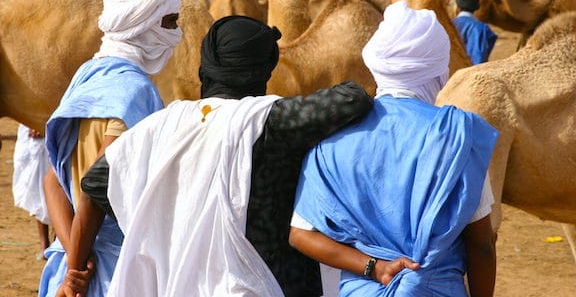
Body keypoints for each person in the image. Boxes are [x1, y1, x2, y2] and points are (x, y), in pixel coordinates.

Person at [73, 15, 374, 297]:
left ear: (207, 65)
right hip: (263, 284)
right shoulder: (272, 121)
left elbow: (93, 187)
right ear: (265, 69)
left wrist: (74, 270)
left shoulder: (160, 126)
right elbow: (353, 97)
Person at [289, 0, 499, 297]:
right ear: (438, 67)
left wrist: (373, 266)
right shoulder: (458, 136)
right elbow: (481, 246)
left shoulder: (334, 136)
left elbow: (300, 234)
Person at [39, 0, 182, 297]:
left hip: (73, 258)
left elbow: (52, 179)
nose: (178, 34)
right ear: (144, 24)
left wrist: (71, 254)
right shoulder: (133, 90)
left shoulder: (89, 74)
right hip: (110, 272)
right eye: (170, 22)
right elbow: (97, 184)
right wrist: (76, 273)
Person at [12, 124, 52, 261]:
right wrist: (33, 122)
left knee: (60, 184)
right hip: (32, 131)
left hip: (59, 121)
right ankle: (45, 245)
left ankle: (58, 244)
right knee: (38, 188)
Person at [452, 0, 497, 64]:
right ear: (476, 8)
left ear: (458, 8)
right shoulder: (482, 27)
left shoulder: (449, 24)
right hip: (472, 70)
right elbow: (479, 54)